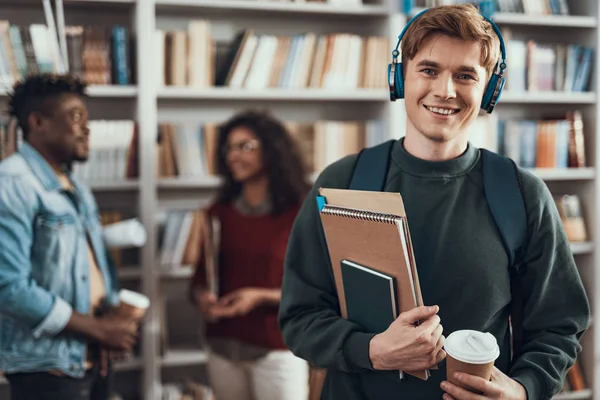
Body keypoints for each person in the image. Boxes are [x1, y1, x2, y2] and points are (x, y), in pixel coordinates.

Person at [278, 4, 590, 400]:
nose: (445, 90)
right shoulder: (342, 182)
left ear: (489, 90)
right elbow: (299, 317)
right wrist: (370, 350)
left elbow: (560, 323)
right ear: (400, 77)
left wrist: (525, 389)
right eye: (429, 69)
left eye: (465, 75)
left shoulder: (522, 194)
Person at [0, 74, 139, 400]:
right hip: (48, 369)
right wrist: (97, 329)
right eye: (76, 116)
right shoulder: (13, 184)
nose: (87, 127)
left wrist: (110, 320)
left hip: (91, 358)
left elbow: (93, 262)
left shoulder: (75, 187)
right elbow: (8, 286)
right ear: (38, 123)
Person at [189, 110, 312, 400]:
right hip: (222, 347)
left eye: (246, 146)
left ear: (272, 151)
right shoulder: (217, 212)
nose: (234, 156)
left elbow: (318, 288)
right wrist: (202, 297)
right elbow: (198, 279)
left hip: (277, 349)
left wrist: (259, 297)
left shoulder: (300, 213)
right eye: (230, 147)